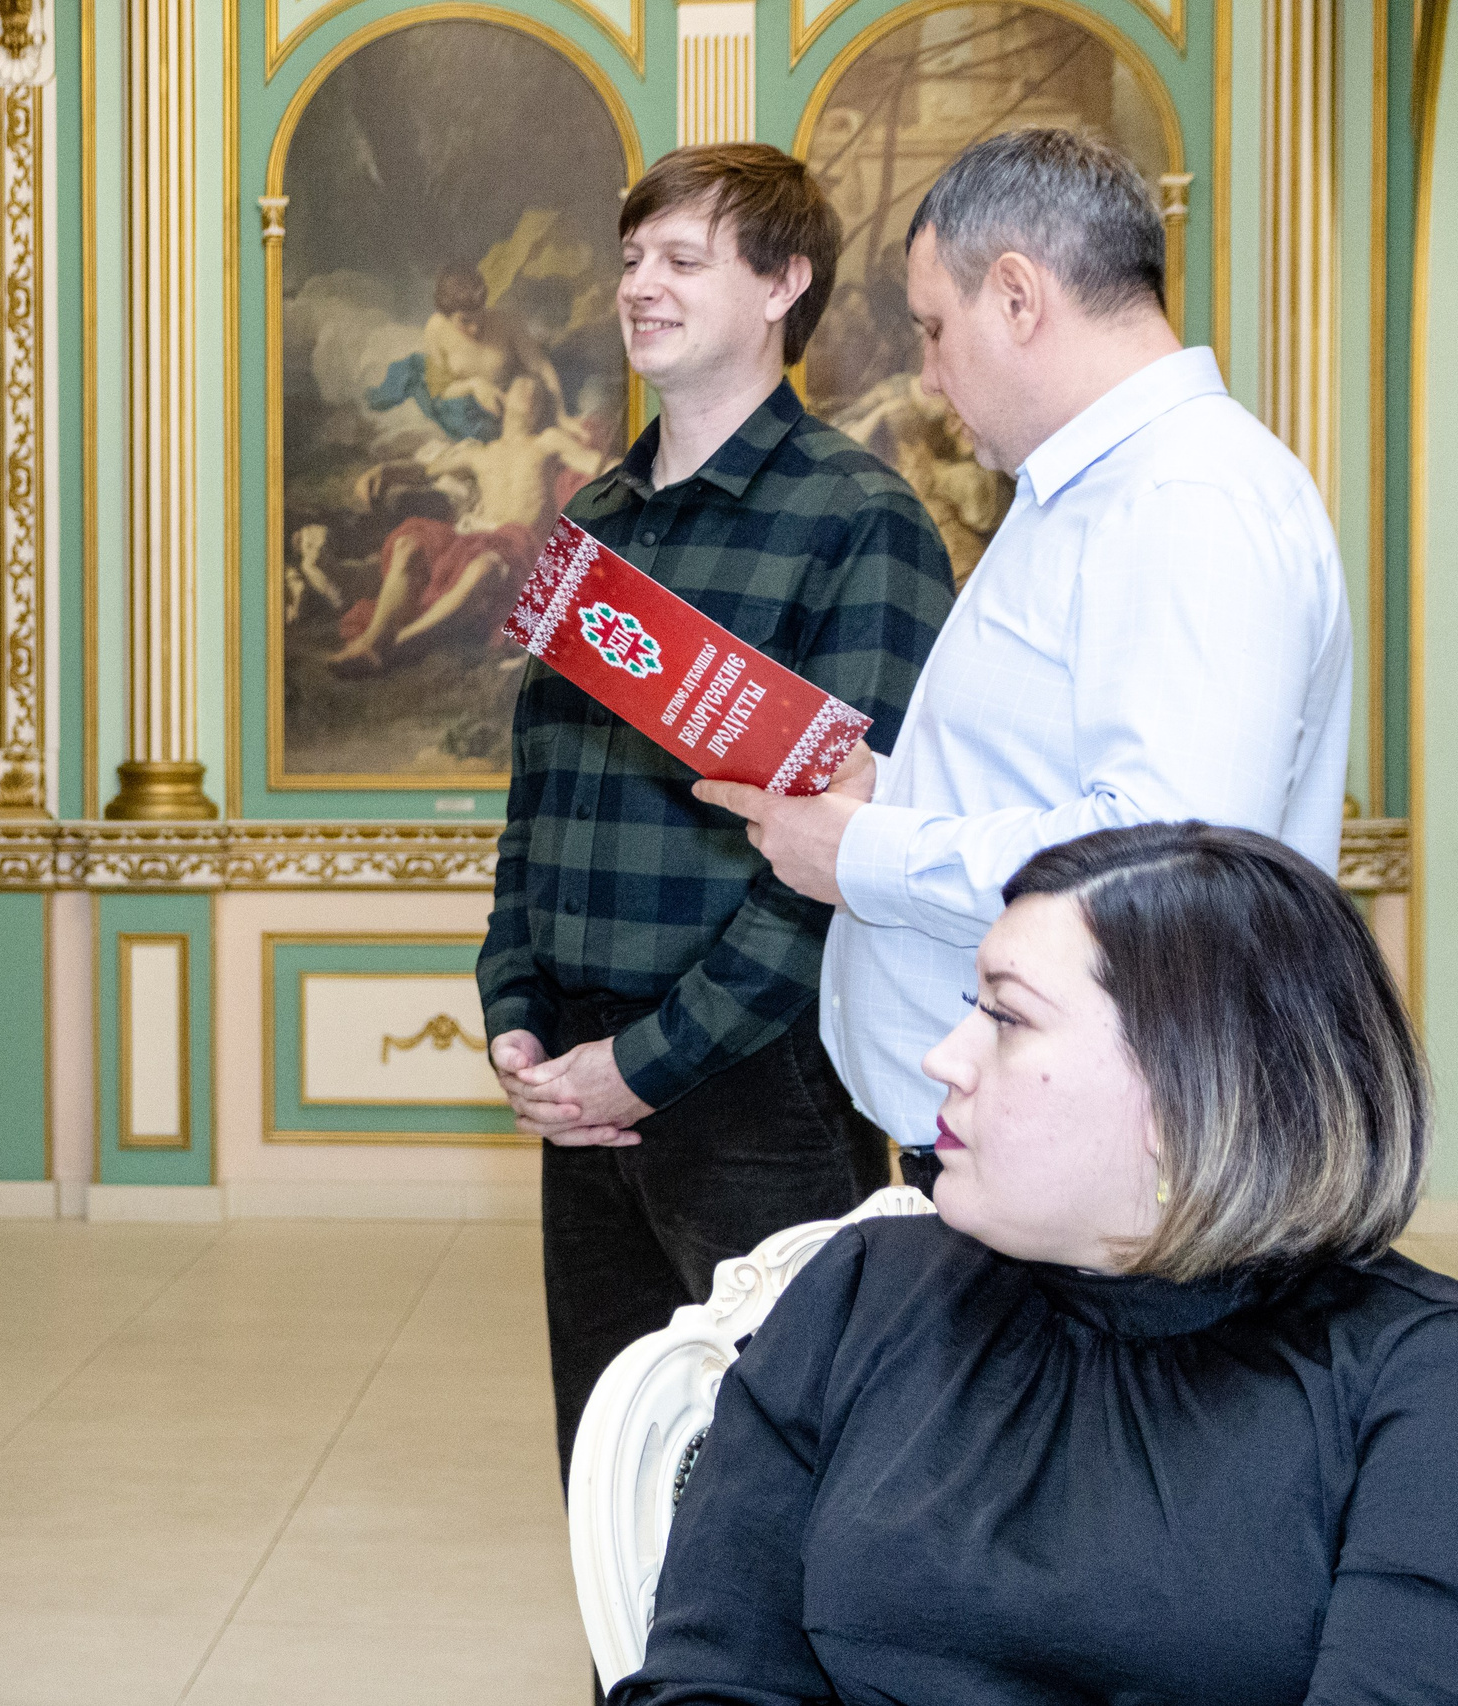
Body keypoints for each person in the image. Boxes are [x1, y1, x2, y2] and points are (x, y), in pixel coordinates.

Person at [612, 822, 1458, 1704]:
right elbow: (711, 1679)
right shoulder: (864, 1292)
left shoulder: (1418, 1380)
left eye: (1007, 1017)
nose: (944, 1057)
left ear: (1195, 1090)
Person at [696, 129, 1353, 1197]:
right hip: (1034, 1153)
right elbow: (1058, 783)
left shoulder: (1184, 497)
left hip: (1106, 1164)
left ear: (1016, 296)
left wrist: (867, 853)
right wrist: (887, 797)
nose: (925, 375)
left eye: (932, 329)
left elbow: (1168, 855)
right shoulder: (1096, 491)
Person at [476, 142, 953, 1490]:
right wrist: (515, 1001)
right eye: (632, 258)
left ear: (783, 285)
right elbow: (541, 794)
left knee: (777, 1489)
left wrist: (652, 1057)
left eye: (682, 260)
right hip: (583, 1087)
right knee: (614, 1483)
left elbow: (835, 857)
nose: (640, 286)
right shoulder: (599, 523)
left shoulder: (857, 522)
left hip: (759, 1091)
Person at [330, 374, 605, 673]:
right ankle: (371, 639)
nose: (530, 392)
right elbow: (426, 470)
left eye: (538, 392)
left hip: (516, 545)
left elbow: (595, 462)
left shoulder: (548, 441)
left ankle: (398, 645)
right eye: (521, 386)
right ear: (501, 399)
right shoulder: (479, 453)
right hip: (473, 538)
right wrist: (387, 470)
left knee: (484, 566)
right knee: (408, 544)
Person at [368, 261, 570, 442]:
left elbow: (541, 367)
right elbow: (440, 392)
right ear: (447, 316)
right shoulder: (436, 328)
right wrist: (475, 385)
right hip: (461, 405)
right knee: (416, 383)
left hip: (503, 406)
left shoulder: (508, 322)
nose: (475, 327)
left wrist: (562, 416)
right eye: (465, 321)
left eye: (479, 315)